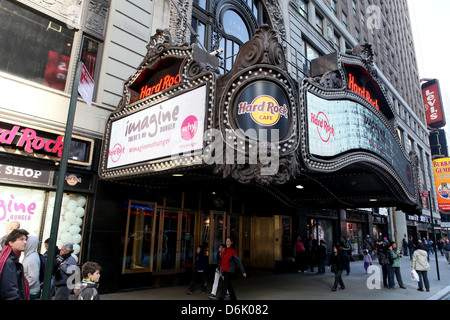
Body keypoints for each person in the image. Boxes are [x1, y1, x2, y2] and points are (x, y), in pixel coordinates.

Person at [0, 228, 30, 300]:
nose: (25, 242)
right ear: (11, 243)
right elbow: (9, 291)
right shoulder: (8, 261)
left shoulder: (12, 259)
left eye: (25, 239)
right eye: (21, 239)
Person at [22, 235, 41, 300]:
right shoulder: (30, 255)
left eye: (25, 241)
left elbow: (33, 278)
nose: (23, 243)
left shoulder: (31, 258)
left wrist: (22, 286)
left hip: (31, 291)